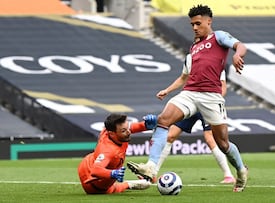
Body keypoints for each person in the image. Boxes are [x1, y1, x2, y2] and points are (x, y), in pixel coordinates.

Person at [127, 4, 248, 192]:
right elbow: (184, 77)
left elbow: (240, 46)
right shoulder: (193, 48)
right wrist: (167, 90)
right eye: (192, 24)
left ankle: (240, 171)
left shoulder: (219, 37)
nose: (194, 28)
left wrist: (237, 55)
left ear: (209, 21)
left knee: (223, 144)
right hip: (190, 93)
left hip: (211, 96)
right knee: (163, 120)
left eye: (198, 23)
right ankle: (151, 167)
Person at [152, 54, 235, 184]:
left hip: (207, 103)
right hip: (189, 102)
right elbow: (182, 78)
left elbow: (222, 86)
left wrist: (214, 101)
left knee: (210, 139)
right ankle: (153, 173)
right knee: (170, 136)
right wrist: (167, 90)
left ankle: (228, 175)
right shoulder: (190, 58)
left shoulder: (216, 60)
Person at [77, 113, 157, 194]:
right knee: (111, 189)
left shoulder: (115, 132)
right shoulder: (108, 151)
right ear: (112, 133)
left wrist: (146, 125)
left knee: (145, 183)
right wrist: (112, 173)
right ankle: (128, 184)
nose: (129, 132)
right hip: (93, 184)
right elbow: (95, 171)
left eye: (127, 128)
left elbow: (134, 127)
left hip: (90, 161)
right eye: (123, 131)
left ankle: (133, 184)